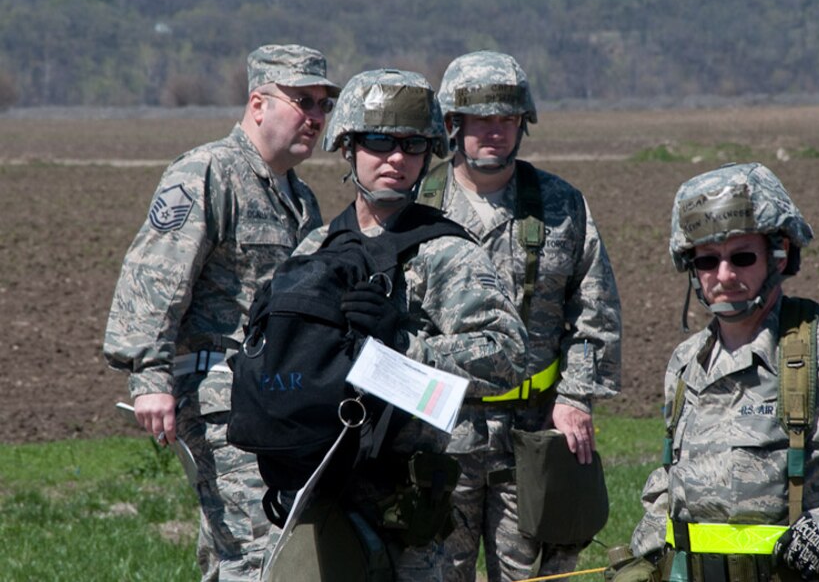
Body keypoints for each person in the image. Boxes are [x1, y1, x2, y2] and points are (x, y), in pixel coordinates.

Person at [103, 44, 339, 581]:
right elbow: (154, 275)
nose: (317, 117)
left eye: (325, 105)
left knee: (236, 552)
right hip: (219, 400)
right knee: (260, 556)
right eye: (304, 101)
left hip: (275, 400)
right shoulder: (208, 171)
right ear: (258, 103)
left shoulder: (301, 198)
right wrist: (149, 378)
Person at [285, 68, 528, 581]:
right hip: (327, 486)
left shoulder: (447, 252)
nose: (396, 158)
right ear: (348, 146)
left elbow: (505, 355)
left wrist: (402, 346)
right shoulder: (315, 250)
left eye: (413, 144)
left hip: (414, 507)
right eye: (379, 141)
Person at [610, 162, 819, 582]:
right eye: (707, 261)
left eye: (742, 257)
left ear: (779, 255)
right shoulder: (687, 362)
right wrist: (654, 525)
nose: (724, 276)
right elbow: (676, 475)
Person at [423, 50, 622, 581]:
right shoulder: (415, 208)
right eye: (480, 118)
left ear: (522, 124)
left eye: (506, 118)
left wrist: (577, 397)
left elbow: (594, 310)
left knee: (533, 574)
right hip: (438, 433)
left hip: (533, 434)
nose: (494, 130)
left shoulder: (561, 205)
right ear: (452, 124)